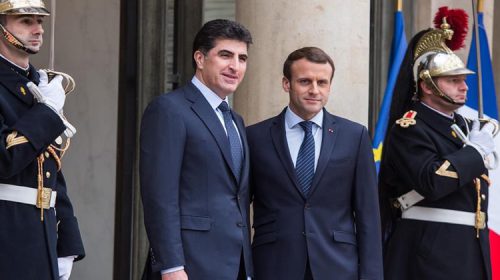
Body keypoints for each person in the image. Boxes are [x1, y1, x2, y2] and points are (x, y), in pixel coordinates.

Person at [246, 46, 383, 280]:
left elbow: (368, 213)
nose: (314, 90)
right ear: (286, 84)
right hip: (273, 265)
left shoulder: (354, 136)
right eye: (305, 81)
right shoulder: (255, 137)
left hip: (338, 266)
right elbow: (239, 206)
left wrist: (372, 275)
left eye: (322, 82)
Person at [379, 9, 494, 280]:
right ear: (427, 86)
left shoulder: (464, 128)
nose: (464, 87)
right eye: (453, 80)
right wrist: (475, 152)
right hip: (429, 252)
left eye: (463, 79)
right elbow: (432, 182)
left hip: (468, 248)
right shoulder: (409, 128)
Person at [140, 19, 253, 280]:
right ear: (200, 58)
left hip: (235, 267)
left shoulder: (236, 121)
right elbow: (159, 196)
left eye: (242, 58)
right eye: (225, 55)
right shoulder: (170, 110)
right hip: (188, 266)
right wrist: (171, 266)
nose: (235, 66)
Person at [0, 0, 85, 279]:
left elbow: (51, 165)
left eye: (40, 22)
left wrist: (67, 238)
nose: (38, 29)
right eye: (26, 21)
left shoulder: (39, 84)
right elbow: (4, 158)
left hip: (42, 233)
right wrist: (47, 112)